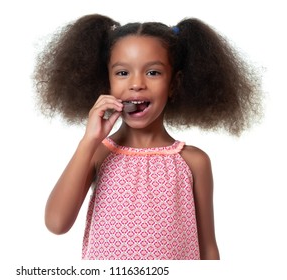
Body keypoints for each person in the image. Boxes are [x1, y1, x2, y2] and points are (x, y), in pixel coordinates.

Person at [33, 14, 262, 260]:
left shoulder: (194, 162)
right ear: (106, 82)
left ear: (174, 84)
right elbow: (57, 224)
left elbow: (207, 248)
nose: (136, 84)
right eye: (122, 73)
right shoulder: (98, 153)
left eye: (153, 72)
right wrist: (89, 140)